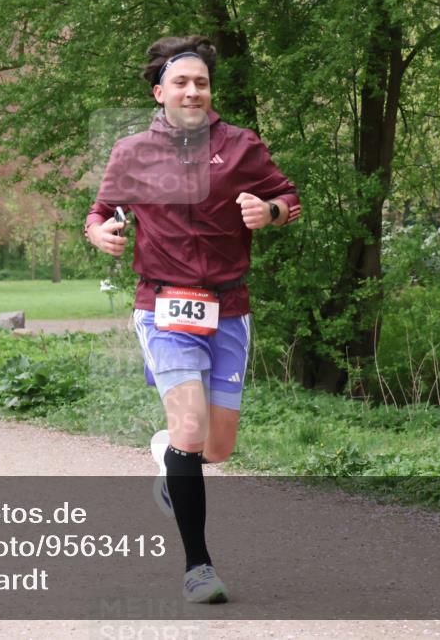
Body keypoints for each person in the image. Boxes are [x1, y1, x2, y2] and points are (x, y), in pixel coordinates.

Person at [84, 35, 301, 604]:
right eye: (180, 82)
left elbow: (288, 198)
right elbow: (101, 210)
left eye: (201, 82)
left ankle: (172, 462)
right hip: (163, 307)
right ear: (160, 93)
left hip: (228, 307)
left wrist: (269, 211)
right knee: (188, 429)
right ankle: (198, 567)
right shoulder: (133, 152)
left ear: (210, 92)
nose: (192, 90)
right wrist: (101, 232)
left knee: (217, 447)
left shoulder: (241, 146)